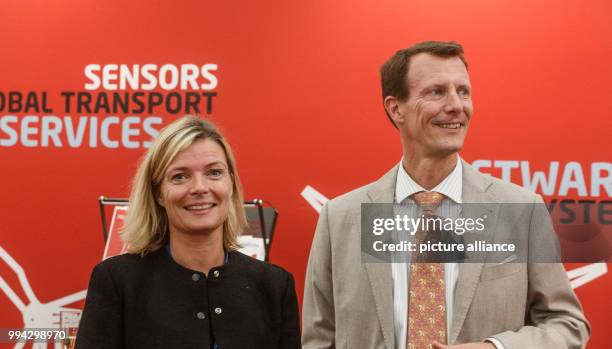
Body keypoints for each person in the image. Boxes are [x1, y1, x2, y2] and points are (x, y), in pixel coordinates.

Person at [302, 41, 590, 349]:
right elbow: (320, 340)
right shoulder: (341, 217)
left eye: (463, 91)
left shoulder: (521, 210)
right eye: (436, 92)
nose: (456, 105)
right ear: (395, 108)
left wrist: (495, 348)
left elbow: (568, 326)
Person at [76, 116, 301, 349]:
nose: (200, 188)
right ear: (158, 194)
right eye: (180, 176)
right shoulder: (117, 282)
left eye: (214, 173)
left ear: (231, 183)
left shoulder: (274, 285)